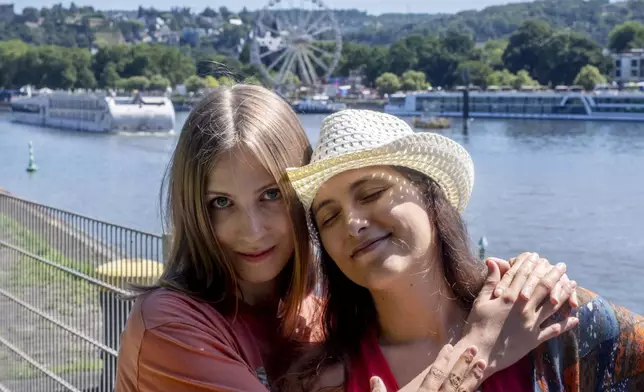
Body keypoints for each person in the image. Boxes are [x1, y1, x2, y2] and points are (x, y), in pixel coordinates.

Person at [116, 85, 577, 392]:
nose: (252, 230)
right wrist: (477, 349)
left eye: (272, 195)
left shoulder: (314, 321)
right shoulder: (172, 328)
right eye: (221, 202)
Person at [284, 109, 644, 391]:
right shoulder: (320, 381)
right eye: (329, 217)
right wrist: (479, 350)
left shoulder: (550, 315)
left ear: (430, 195)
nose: (352, 223)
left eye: (372, 194)